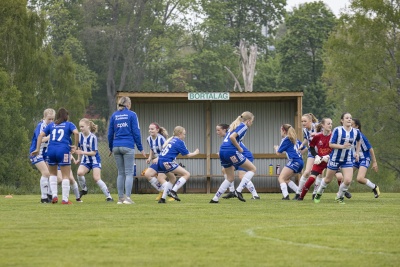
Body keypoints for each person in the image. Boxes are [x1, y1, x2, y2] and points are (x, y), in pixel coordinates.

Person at [31, 107, 79, 205]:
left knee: (53, 175)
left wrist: (37, 148)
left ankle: (53, 196)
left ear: (56, 117)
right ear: (67, 116)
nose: (51, 120)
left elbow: (41, 136)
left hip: (50, 151)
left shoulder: (52, 125)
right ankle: (64, 199)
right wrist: (76, 146)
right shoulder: (69, 124)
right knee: (65, 176)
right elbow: (76, 133)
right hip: (61, 151)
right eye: (49, 119)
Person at [314, 112, 361, 204]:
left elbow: (359, 140)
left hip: (347, 159)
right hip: (335, 158)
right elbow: (331, 144)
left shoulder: (356, 132)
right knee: (328, 179)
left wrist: (357, 152)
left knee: (347, 180)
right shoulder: (337, 130)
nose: (349, 119)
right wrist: (342, 146)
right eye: (347, 118)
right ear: (342, 120)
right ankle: (319, 193)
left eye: (350, 118)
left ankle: (339, 197)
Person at [144, 126, 199, 203]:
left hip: (160, 162)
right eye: (184, 134)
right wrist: (196, 153)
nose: (184, 136)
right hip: (167, 162)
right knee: (186, 174)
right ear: (179, 134)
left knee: (172, 179)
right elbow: (188, 155)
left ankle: (163, 199)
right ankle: (173, 191)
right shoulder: (179, 142)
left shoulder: (171, 140)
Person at [210, 112, 256, 203]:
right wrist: (239, 148)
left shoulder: (233, 126)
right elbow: (232, 137)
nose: (252, 123)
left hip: (222, 151)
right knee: (252, 169)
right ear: (248, 121)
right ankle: (238, 191)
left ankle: (215, 198)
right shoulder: (243, 126)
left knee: (230, 178)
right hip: (231, 151)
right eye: (252, 121)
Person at [108, 96, 146, 204]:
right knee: (129, 173)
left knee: (120, 173)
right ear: (128, 105)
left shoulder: (114, 115)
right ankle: (127, 198)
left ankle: (120, 199)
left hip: (116, 146)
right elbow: (136, 132)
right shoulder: (132, 114)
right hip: (128, 146)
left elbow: (110, 133)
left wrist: (111, 147)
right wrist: (140, 148)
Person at [216, 124, 260, 200]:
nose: (217, 132)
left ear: (224, 129)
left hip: (245, 155)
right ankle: (232, 191)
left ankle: (255, 195)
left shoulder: (230, 135)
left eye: (218, 130)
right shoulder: (227, 137)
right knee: (224, 170)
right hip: (236, 156)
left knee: (241, 176)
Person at [75, 118, 113, 202]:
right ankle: (84, 189)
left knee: (96, 178)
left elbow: (93, 153)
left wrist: (82, 152)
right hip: (85, 160)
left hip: (95, 160)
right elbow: (79, 148)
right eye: (80, 127)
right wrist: (78, 159)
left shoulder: (93, 137)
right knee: (79, 173)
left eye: (82, 126)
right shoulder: (79, 135)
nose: (81, 128)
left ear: (88, 126)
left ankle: (109, 197)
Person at [298, 118, 332, 200]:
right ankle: (300, 196)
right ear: (323, 125)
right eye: (328, 123)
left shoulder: (333, 136)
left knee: (339, 176)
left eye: (331, 124)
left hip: (330, 160)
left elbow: (336, 148)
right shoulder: (317, 136)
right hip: (320, 160)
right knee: (311, 177)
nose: (330, 125)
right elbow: (311, 147)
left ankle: (342, 194)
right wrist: (316, 156)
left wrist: (329, 156)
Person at [29, 108, 55, 203]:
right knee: (46, 173)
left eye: (53, 119)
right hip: (36, 152)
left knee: (51, 173)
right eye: (49, 119)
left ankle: (49, 194)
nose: (51, 121)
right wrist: (50, 136)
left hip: (46, 153)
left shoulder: (53, 127)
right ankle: (43, 198)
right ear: (44, 117)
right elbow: (41, 139)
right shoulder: (41, 126)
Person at [351, 118, 380, 198]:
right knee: (346, 178)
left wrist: (374, 162)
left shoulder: (361, 137)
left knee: (360, 178)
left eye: (352, 125)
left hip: (365, 158)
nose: (349, 126)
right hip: (356, 159)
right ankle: (342, 194)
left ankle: (374, 187)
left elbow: (370, 149)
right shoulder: (349, 136)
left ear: (357, 126)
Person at [274, 124, 304, 200]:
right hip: (300, 161)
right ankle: (299, 192)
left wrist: (276, 148)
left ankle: (285, 196)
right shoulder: (295, 139)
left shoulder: (286, 139)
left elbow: (278, 153)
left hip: (294, 161)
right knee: (286, 179)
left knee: (281, 178)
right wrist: (299, 154)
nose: (280, 132)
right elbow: (304, 148)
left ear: (284, 131)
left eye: (281, 130)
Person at [293, 113, 318, 200]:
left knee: (319, 174)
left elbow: (325, 134)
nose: (303, 123)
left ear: (310, 121)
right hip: (312, 151)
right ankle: (298, 193)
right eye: (302, 121)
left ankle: (315, 193)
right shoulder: (305, 130)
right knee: (307, 172)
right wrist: (302, 145)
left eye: (305, 121)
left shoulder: (317, 127)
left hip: (321, 152)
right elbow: (307, 139)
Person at [145, 122, 171, 201]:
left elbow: (166, 150)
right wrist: (150, 158)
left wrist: (159, 158)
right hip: (157, 160)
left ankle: (171, 194)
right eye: (149, 129)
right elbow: (152, 149)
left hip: (165, 159)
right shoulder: (148, 139)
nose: (150, 130)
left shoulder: (161, 139)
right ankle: (162, 190)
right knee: (147, 174)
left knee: (160, 178)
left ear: (157, 130)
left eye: (152, 129)